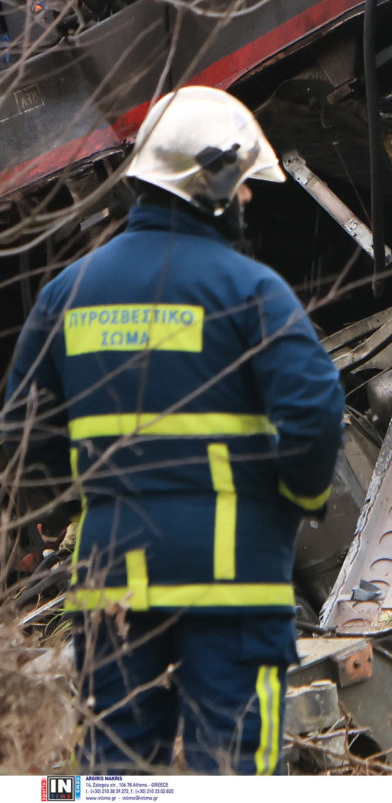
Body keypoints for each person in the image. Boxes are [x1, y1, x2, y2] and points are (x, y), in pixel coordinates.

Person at [2, 85, 344, 774]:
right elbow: (314, 409)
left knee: (116, 768)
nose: (249, 200)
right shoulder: (251, 291)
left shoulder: (65, 293)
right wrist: (299, 501)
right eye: (243, 186)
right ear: (213, 186)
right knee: (236, 763)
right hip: (233, 580)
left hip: (112, 579)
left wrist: (66, 507)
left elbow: (22, 436)